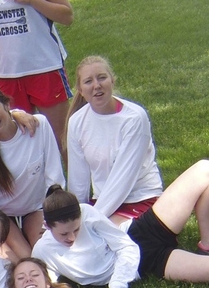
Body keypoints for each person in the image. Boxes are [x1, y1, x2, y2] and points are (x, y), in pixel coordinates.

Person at [35, 178, 209, 288]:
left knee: (205, 171)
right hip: (148, 262)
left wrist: (118, 282)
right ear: (48, 226)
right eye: (64, 234)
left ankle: (208, 245)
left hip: (139, 231)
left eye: (76, 229)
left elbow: (125, 246)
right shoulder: (43, 251)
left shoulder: (87, 213)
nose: (72, 237)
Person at [65, 55, 162, 224]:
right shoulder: (77, 122)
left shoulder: (134, 118)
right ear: (80, 89)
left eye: (102, 77)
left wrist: (91, 220)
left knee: (101, 240)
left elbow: (123, 178)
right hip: (103, 202)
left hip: (139, 199)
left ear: (112, 81)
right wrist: (75, 216)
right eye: (88, 81)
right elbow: (78, 181)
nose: (97, 85)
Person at [0, 86, 64, 258]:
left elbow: (54, 174)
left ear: (7, 105)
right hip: (1, 212)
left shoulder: (37, 125)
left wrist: (54, 212)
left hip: (34, 208)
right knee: (26, 257)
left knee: (46, 252)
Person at [0, 0, 73, 148]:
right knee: (22, 139)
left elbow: (67, 16)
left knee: (62, 138)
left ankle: (74, 173)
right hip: (8, 72)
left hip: (44, 67)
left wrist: (32, 0)